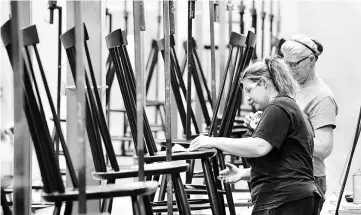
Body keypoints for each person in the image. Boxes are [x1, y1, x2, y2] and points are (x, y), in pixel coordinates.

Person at [188, 56, 321, 215]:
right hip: (294, 197)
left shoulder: (278, 106)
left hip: (283, 199)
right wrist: (243, 173)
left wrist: (213, 141)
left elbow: (259, 147)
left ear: (264, 83)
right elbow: (287, 163)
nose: (248, 98)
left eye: (249, 90)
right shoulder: (291, 107)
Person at [245, 35, 338, 210]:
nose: (289, 69)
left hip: (307, 178)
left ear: (311, 60)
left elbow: (324, 148)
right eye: (285, 63)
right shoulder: (291, 87)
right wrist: (262, 124)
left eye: (294, 64)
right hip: (284, 176)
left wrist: (280, 136)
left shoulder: (321, 96)